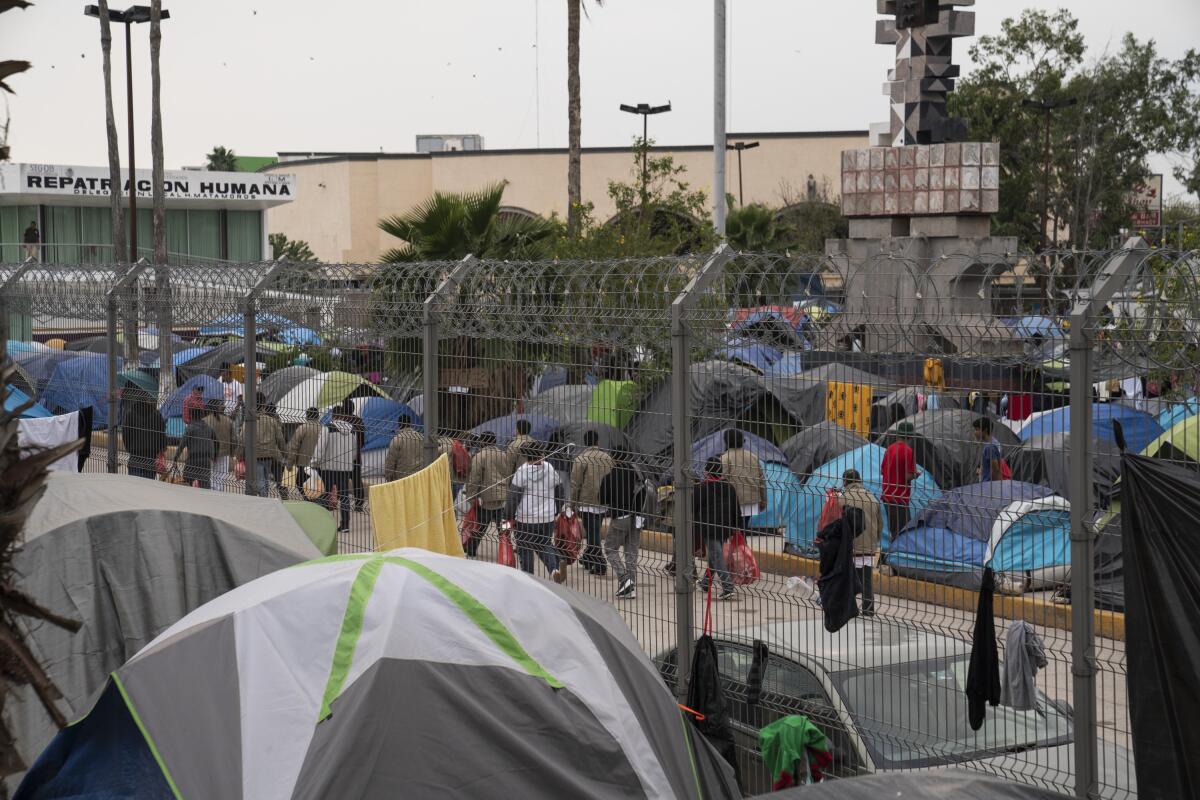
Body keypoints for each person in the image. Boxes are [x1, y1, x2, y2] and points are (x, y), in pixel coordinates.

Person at [506, 441, 565, 582]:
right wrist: (556, 509)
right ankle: (554, 569)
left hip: (525, 518)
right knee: (544, 544)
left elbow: (513, 497)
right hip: (547, 517)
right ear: (541, 453)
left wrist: (507, 516)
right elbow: (560, 492)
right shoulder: (550, 468)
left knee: (525, 548)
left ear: (526, 456)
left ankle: (528, 577)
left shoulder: (522, 471)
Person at [693, 456, 740, 601]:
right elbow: (736, 509)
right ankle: (706, 582)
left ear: (707, 471)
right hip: (725, 527)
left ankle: (727, 587)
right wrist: (735, 527)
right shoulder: (729, 486)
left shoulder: (702, 488)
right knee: (715, 554)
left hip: (709, 528)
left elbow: (693, 507)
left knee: (716, 554)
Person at [569, 430, 615, 575]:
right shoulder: (608, 458)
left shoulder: (581, 459)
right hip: (604, 500)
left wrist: (572, 503)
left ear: (585, 442)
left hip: (587, 501)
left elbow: (575, 484)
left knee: (592, 533)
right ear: (597, 441)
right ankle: (588, 558)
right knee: (594, 531)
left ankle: (600, 563)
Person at [599, 446, 641, 600]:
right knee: (631, 552)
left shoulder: (610, 476)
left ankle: (625, 579)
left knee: (610, 548)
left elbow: (602, 499)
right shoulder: (636, 472)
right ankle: (631, 586)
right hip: (637, 517)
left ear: (613, 458)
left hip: (621, 517)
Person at [840, 469, 883, 616]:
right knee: (866, 579)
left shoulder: (843, 498)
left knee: (848, 578)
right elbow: (880, 523)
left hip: (850, 545)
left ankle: (849, 608)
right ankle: (868, 609)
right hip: (869, 546)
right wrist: (874, 541)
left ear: (845, 481)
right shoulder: (872, 497)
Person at [463, 431, 507, 558]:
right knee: (503, 530)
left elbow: (474, 479)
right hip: (503, 496)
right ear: (494, 441)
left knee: (479, 527)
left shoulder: (480, 456)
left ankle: (471, 553)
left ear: (482, 441)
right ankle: (506, 553)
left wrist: (472, 497)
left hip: (486, 498)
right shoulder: (503, 454)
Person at [311, 413, 356, 533]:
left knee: (324, 494)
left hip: (328, 468)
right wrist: (349, 462)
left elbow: (320, 448)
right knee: (344, 496)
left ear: (333, 416)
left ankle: (323, 523)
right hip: (345, 468)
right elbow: (354, 451)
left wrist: (314, 463)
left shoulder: (327, 428)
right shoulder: (352, 430)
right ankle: (345, 525)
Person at [236, 393, 287, 498]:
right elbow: (280, 439)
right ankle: (264, 497)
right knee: (265, 479)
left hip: (254, 456)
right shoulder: (272, 421)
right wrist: (285, 453)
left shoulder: (249, 421)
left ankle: (263, 499)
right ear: (264, 404)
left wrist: (239, 455)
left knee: (260, 481)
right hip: (269, 455)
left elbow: (242, 440)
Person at [719, 429, 767, 531]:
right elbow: (761, 480)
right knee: (742, 528)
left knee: (735, 530)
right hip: (752, 499)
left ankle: (739, 546)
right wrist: (763, 500)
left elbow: (722, 480)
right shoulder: (753, 456)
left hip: (734, 500)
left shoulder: (725, 458)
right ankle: (742, 545)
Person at [881, 421, 918, 536]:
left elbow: (883, 470)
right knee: (902, 533)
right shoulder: (908, 451)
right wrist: (916, 474)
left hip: (887, 496)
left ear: (898, 434)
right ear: (910, 436)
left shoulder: (889, 449)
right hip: (900, 498)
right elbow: (907, 476)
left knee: (894, 531)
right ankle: (896, 552)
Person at [120, 386, 166, 479]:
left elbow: (125, 434)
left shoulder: (130, 414)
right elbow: (162, 434)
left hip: (135, 456)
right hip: (150, 456)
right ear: (148, 397)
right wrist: (160, 449)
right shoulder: (156, 414)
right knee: (148, 487)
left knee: (134, 486)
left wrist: (130, 448)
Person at [172, 407, 217, 489]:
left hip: (193, 460)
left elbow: (182, 444)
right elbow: (216, 441)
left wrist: (175, 458)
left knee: (186, 479)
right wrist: (214, 456)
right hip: (205, 460)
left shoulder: (190, 428)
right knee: (205, 484)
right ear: (202, 415)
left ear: (191, 415)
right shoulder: (209, 428)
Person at [286, 407, 322, 500]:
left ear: (307, 416)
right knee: (317, 482)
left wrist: (289, 463)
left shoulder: (302, 428)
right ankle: (315, 498)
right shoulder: (323, 429)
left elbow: (294, 447)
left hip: (304, 462)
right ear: (318, 416)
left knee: (300, 482)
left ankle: (307, 498)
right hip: (320, 463)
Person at [203, 398, 237, 490]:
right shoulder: (228, 421)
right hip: (224, 453)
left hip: (208, 452)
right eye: (221, 404)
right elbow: (234, 439)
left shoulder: (205, 421)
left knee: (210, 473)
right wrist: (232, 452)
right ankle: (218, 491)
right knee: (221, 475)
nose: (224, 406)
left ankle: (210, 490)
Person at [340, 400, 367, 511]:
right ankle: (359, 503)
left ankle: (344, 503)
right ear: (353, 408)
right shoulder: (358, 421)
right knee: (356, 480)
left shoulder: (341, 421)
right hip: (356, 456)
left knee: (342, 480)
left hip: (342, 456)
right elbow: (362, 440)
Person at [383, 415, 423, 482]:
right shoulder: (421, 437)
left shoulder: (397, 439)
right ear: (410, 424)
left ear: (399, 424)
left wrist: (389, 477)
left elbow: (390, 462)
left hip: (403, 478)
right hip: (420, 476)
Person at [973, 417, 1003, 482]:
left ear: (985, 430)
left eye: (977, 430)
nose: (975, 433)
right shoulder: (994, 442)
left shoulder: (989, 447)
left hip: (988, 485)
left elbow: (995, 469)